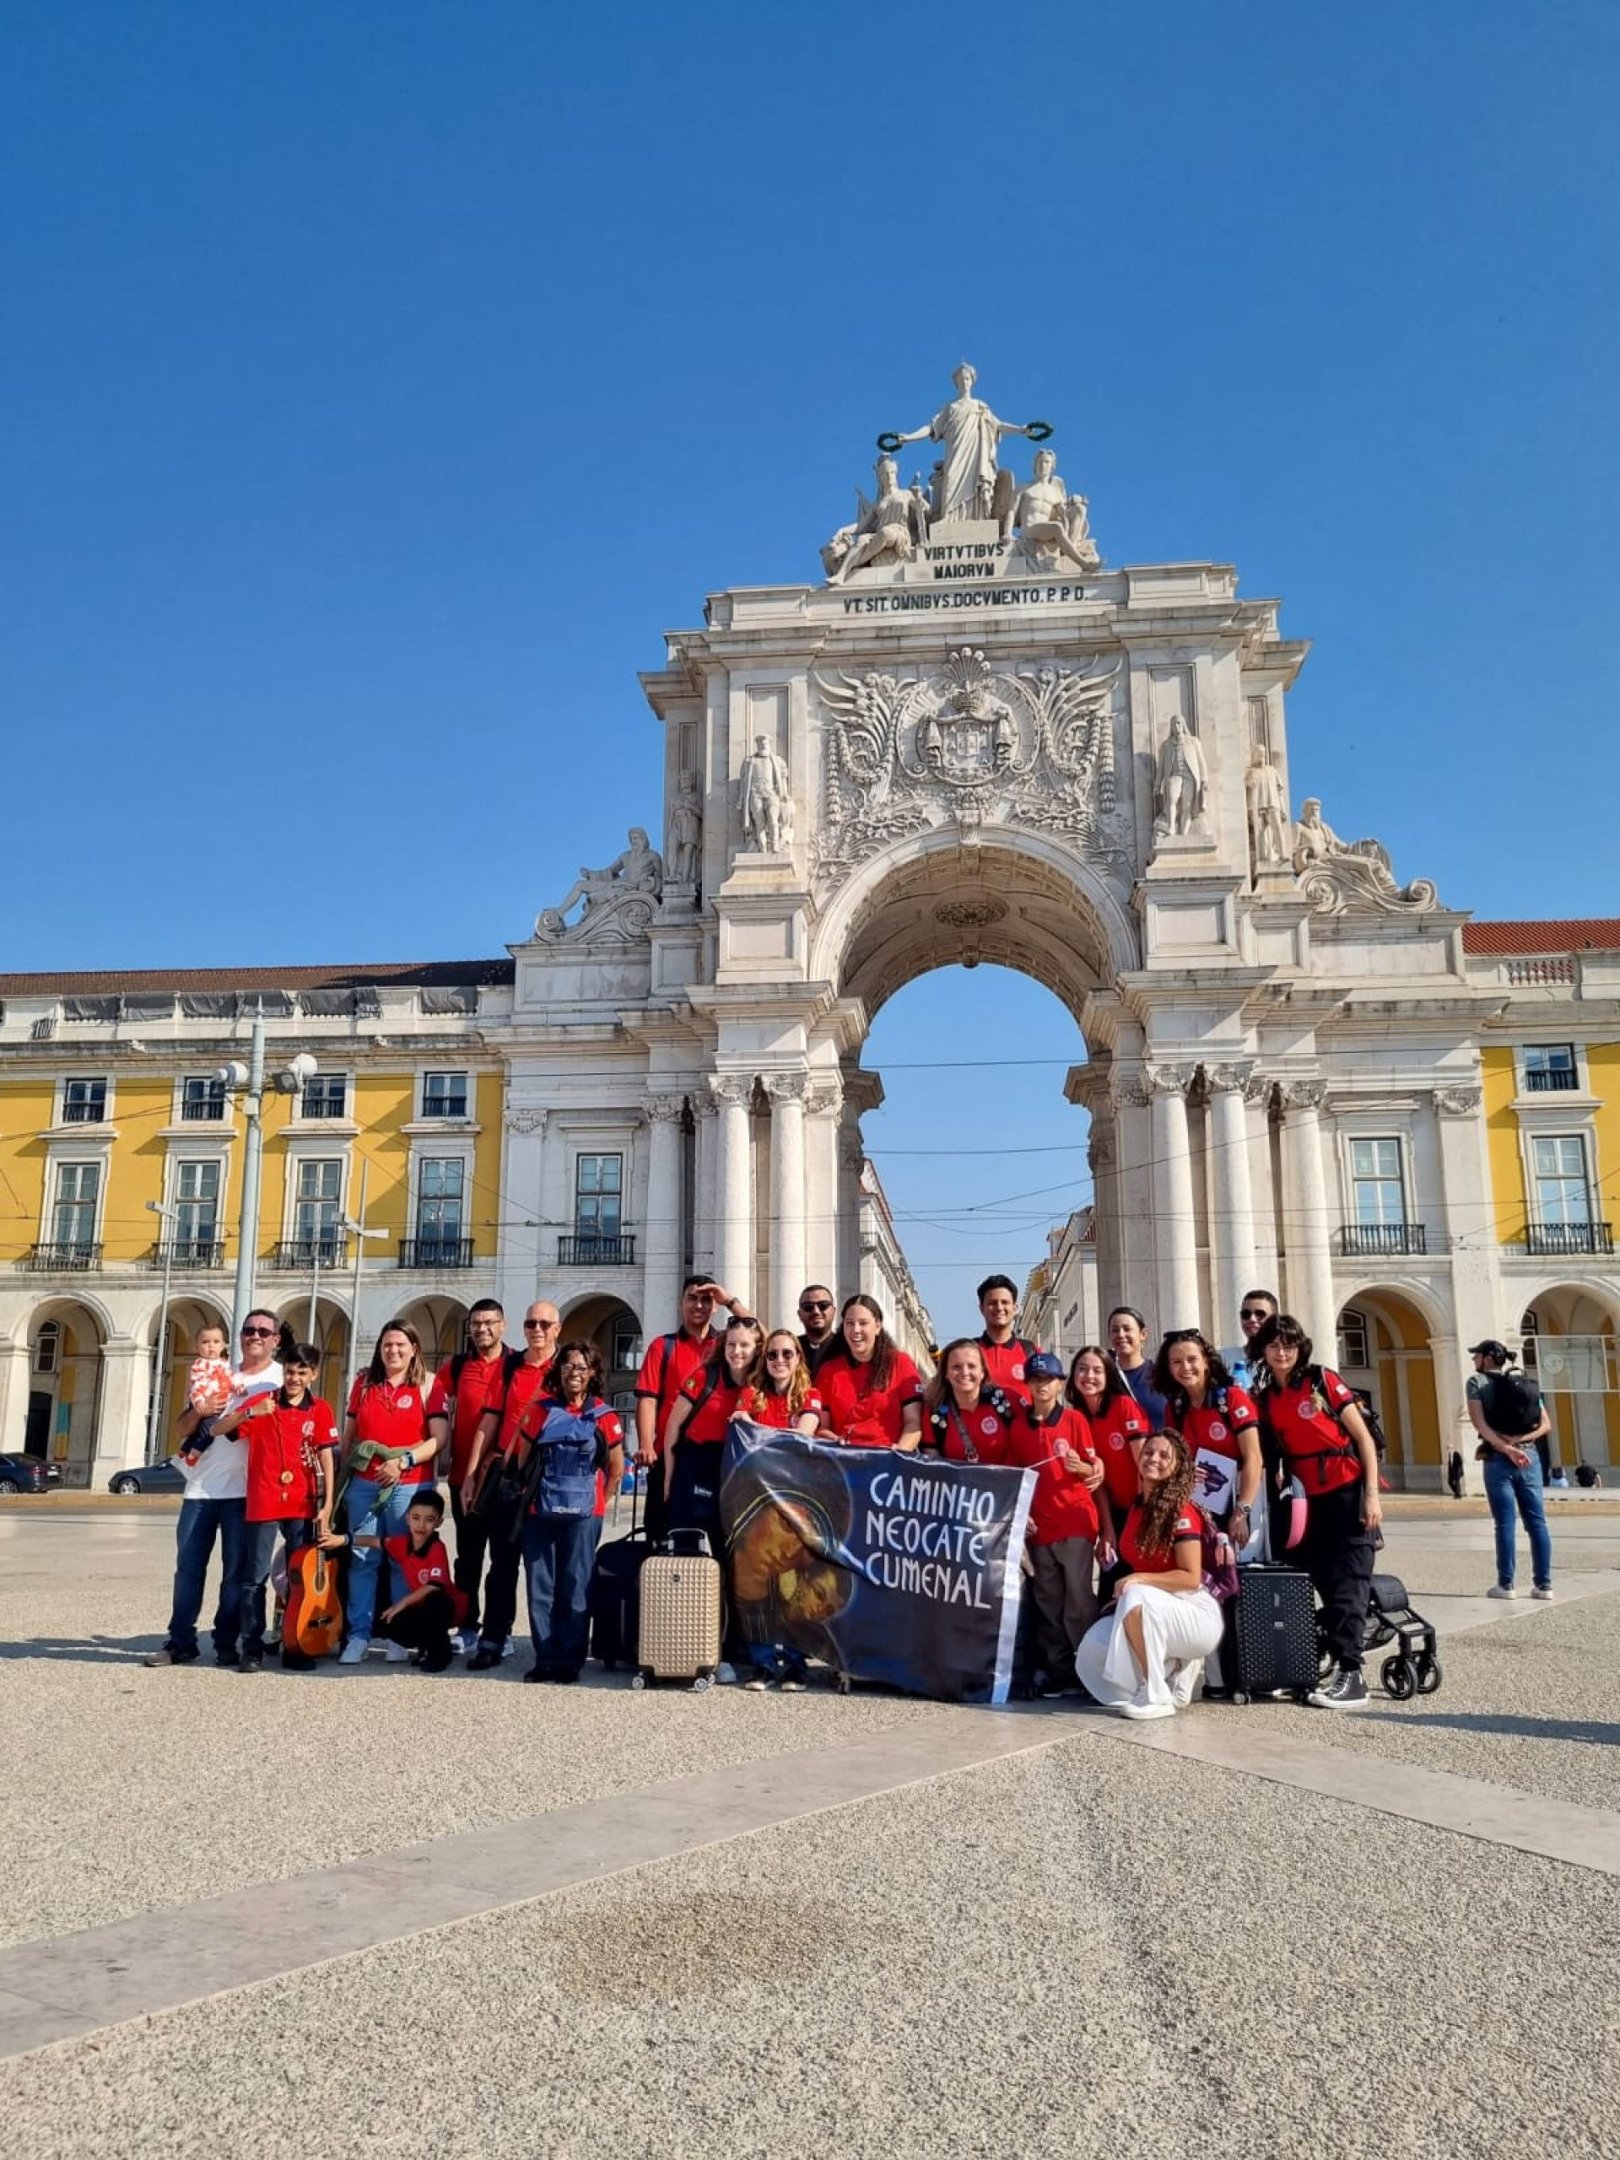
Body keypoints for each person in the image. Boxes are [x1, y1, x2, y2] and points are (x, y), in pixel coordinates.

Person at [1250, 1314, 1381, 1709]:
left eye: (1289, 1344)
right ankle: (1321, 1659)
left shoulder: (1321, 1380)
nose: (1282, 1351)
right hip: (1307, 1497)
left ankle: (1352, 1672)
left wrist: (1372, 1494)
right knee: (1315, 1576)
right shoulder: (1267, 1396)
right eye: (1274, 1345)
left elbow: (1363, 1438)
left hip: (1346, 1487)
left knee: (1349, 1579)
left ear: (1300, 1346)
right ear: (1264, 1350)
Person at [144, 1312, 286, 1669]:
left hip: (245, 1489)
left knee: (236, 1574)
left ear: (275, 1339)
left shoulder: (281, 1378)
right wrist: (199, 1410)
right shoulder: (217, 1370)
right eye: (248, 1330)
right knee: (188, 1570)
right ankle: (180, 1642)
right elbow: (181, 1426)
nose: (254, 1336)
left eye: (263, 1331)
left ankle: (226, 1643)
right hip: (200, 1489)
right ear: (238, 1338)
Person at [1074, 1431, 1223, 1720]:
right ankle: (1168, 1673)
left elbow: (1191, 1577)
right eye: (1148, 1452)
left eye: (1164, 1455)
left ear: (1178, 1466)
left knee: (1136, 1593)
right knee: (1093, 1647)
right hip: (1157, 1606)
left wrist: (1138, 1579)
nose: (1153, 1458)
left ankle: (1155, 1693)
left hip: (1193, 1611)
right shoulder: (1137, 1508)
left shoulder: (1183, 1510)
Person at [338, 1321, 449, 1665]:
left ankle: (401, 1635)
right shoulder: (364, 1383)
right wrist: (337, 1477)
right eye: (387, 1344)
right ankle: (358, 1635)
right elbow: (349, 1436)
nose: (393, 1351)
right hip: (364, 1485)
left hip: (410, 1484)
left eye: (401, 1344)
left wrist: (404, 1460)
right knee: (362, 1559)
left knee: (404, 1561)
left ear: (414, 1347)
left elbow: (438, 1439)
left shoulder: (430, 1385)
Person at [517, 1338, 624, 1684]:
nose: (573, 1373)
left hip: (584, 1514)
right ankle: (545, 1657)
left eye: (581, 1367)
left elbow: (616, 1468)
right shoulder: (540, 1410)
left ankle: (570, 1659)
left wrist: (598, 1503)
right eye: (567, 1366)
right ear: (558, 1371)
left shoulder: (605, 1416)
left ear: (592, 1373)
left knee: (576, 1584)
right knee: (541, 1584)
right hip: (540, 1510)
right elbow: (522, 1458)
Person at [459, 1301, 559, 1667]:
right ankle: (494, 1637)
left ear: (557, 1329)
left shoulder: (563, 1367)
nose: (537, 1329)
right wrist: (471, 1474)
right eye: (531, 1322)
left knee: (545, 1563)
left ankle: (551, 1639)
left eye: (545, 1324)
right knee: (502, 1561)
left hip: (547, 1473)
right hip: (509, 1473)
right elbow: (489, 1420)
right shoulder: (510, 1367)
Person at [1010, 1350, 1114, 1695]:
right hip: (1040, 1530)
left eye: (1048, 1380)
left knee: (1079, 1602)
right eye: (1035, 1380)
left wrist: (1080, 1466)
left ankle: (1089, 1667)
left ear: (1060, 1384)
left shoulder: (1073, 1421)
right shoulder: (1018, 1426)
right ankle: (1059, 1671)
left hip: (1075, 1524)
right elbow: (1015, 1478)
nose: (1042, 1386)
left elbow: (1093, 1471)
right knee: (1048, 1602)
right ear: (1027, 1384)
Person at [232, 1339, 339, 1673]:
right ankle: (252, 1647)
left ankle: (295, 1643)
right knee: (255, 1577)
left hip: (303, 1501)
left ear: (313, 1375)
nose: (294, 1378)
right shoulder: (263, 1402)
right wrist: (248, 1411)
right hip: (264, 1498)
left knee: (301, 1577)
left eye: (301, 1372)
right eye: (290, 1371)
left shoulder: (320, 1409)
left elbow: (326, 1456)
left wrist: (328, 1505)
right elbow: (225, 1431)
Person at [433, 1299, 523, 1653]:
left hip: (504, 1478)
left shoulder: (516, 1364)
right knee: (468, 1557)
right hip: (462, 1477)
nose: (481, 1329)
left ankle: (501, 1629)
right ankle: (467, 1625)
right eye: (475, 1323)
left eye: (489, 1322)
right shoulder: (455, 1366)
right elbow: (435, 1405)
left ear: (503, 1325)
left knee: (504, 1558)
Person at [634, 1276, 740, 1541]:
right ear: (681, 1303)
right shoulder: (663, 1346)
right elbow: (647, 1398)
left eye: (707, 1299)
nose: (699, 1305)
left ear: (715, 1306)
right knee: (662, 1536)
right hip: (669, 1455)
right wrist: (646, 1443)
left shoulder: (727, 1345)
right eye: (692, 1298)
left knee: (717, 1538)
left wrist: (730, 1301)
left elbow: (761, 1335)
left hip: (715, 1459)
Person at [662, 1314, 765, 1546]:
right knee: (689, 1541)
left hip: (735, 1468)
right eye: (731, 1344)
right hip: (694, 1464)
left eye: (745, 1345)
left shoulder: (759, 1386)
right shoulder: (704, 1377)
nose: (737, 1351)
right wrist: (669, 1477)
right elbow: (673, 1425)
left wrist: (733, 1303)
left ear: (757, 1348)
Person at [1153, 1329, 1263, 1546]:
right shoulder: (1174, 1407)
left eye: (1192, 1359)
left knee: (1239, 1565)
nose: (1185, 1368)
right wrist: (1185, 1470)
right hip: (1198, 1501)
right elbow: (1176, 1458)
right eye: (1176, 1362)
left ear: (1205, 1361)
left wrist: (1241, 1512)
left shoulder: (1232, 1398)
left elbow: (1254, 1458)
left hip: (1241, 1498)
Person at [335, 1490, 464, 1673]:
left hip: (448, 1607)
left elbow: (434, 1584)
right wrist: (343, 1539)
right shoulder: (403, 1543)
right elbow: (375, 1542)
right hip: (421, 1608)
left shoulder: (436, 1547)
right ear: (407, 1518)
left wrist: (401, 1604)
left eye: (429, 1519)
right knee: (391, 1623)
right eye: (416, 1517)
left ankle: (440, 1654)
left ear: (439, 1522)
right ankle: (426, 1646)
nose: (421, 1525)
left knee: (435, 1601)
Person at [1466, 1339, 1555, 1601]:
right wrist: (1519, 1443)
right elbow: (1546, 1425)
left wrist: (1506, 1448)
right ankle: (1544, 1585)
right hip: (1529, 1456)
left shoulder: (1476, 1383)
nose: (1474, 1361)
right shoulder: (1524, 1384)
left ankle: (1506, 1586)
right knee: (1537, 1522)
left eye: (1477, 1355)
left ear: (1488, 1359)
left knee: (1504, 1523)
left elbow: (1479, 1424)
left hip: (1498, 1458)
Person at [816, 1294, 925, 1450]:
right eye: (850, 1323)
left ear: (878, 1326)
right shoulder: (828, 1371)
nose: (856, 1330)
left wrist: (900, 1452)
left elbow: (913, 1422)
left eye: (863, 1323)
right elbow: (822, 1427)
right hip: (843, 1458)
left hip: (889, 1458)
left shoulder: (900, 1363)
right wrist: (833, 1440)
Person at [1067, 1345, 1151, 1524]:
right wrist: (1108, 1528)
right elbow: (1095, 1480)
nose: (1089, 1376)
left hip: (1143, 1506)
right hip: (1113, 1509)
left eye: (1097, 1371)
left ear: (1108, 1376)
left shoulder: (1124, 1406)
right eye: (1082, 1369)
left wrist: (1142, 1512)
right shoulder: (1076, 1417)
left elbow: (1145, 1465)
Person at [923, 1339, 1017, 1463]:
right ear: (945, 1373)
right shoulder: (934, 1411)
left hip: (1006, 1480)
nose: (965, 1373)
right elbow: (932, 1465)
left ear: (982, 1372)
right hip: (956, 1481)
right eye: (956, 1367)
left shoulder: (1007, 1401)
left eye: (972, 1366)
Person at [738, 1330, 824, 1434]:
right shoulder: (751, 1393)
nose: (779, 1360)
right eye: (772, 1355)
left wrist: (755, 1429)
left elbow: (803, 1434)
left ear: (798, 1358)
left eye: (787, 1354)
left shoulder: (810, 1395)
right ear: (765, 1360)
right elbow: (741, 1430)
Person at [975, 1275, 1039, 1404]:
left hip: (1024, 1424)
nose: (999, 1308)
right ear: (981, 1308)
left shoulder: (1031, 1351)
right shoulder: (970, 1351)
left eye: (1005, 1302)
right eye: (992, 1303)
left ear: (1015, 1308)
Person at [1107, 1307, 1167, 1432]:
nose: (1121, 1335)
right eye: (1115, 1330)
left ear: (1143, 1334)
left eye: (1127, 1329)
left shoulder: (1162, 1375)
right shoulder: (1104, 1380)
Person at [1224, 1288, 1278, 1391]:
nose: (1252, 1319)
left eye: (1260, 1314)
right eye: (1246, 1314)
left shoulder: (1285, 1361)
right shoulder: (1222, 1359)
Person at [795, 1285, 841, 1379]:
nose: (816, 1311)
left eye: (823, 1305)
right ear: (799, 1314)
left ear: (834, 1311)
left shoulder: (846, 1347)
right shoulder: (792, 1348)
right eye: (808, 1307)